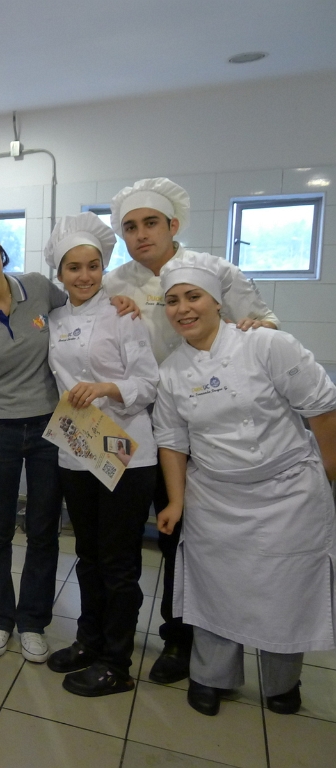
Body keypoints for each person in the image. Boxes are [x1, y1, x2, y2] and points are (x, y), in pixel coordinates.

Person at [0, 201, 139, 664]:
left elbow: (82, 297)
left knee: (44, 529)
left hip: (55, 427)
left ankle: (33, 621)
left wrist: (120, 297)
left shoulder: (37, 287)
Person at [104, 177, 280, 685]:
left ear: (174, 225)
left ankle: (180, 639)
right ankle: (111, 639)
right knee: (120, 538)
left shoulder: (214, 272)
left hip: (194, 427)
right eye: (130, 227)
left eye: (150, 223)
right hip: (128, 424)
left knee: (181, 539)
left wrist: (258, 327)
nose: (140, 234)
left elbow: (265, 325)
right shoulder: (114, 282)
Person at [152, 251, 336, 717]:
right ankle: (211, 676)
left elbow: (322, 407)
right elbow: (172, 441)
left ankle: (282, 683)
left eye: (193, 297)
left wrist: (327, 476)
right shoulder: (171, 370)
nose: (183, 309)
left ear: (217, 301)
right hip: (215, 496)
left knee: (285, 590)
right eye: (172, 301)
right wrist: (175, 501)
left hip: (287, 493)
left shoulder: (268, 344)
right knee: (215, 589)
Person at [42, 213, 160, 696]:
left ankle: (116, 661)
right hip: (78, 449)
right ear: (59, 273)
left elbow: (149, 382)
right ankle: (89, 641)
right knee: (88, 555)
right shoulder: (54, 320)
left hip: (126, 452)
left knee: (118, 561)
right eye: (74, 267)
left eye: (93, 266)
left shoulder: (122, 313)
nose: (85, 275)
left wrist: (107, 387)